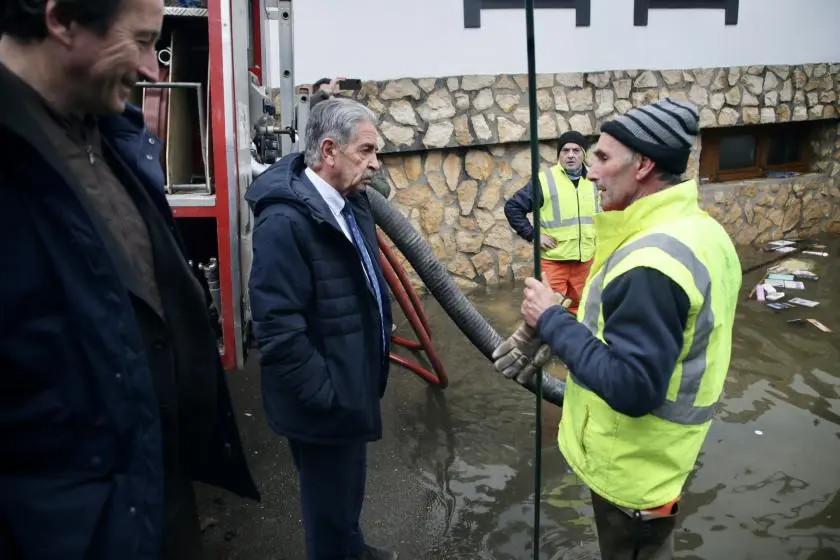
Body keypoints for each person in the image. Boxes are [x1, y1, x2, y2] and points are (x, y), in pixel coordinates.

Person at [0, 1, 259, 558]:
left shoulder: (113, 137)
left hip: (153, 497)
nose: (151, 69)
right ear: (62, 18)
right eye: (141, 41)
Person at [493, 98, 742, 559]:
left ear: (644, 164)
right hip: (662, 459)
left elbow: (632, 388)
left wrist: (550, 320)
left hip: (631, 470)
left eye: (603, 158)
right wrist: (563, 327)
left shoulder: (652, 261)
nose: (590, 172)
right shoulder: (703, 231)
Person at [246, 97, 398, 560]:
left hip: (350, 390)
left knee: (345, 496)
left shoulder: (350, 203)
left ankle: (353, 548)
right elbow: (277, 329)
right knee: (327, 512)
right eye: (366, 151)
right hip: (326, 404)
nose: (375, 164)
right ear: (329, 151)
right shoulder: (284, 221)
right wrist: (327, 396)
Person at [504, 130, 600, 315]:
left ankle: (575, 342)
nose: (570, 155)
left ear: (584, 154)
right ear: (559, 155)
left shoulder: (594, 181)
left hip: (585, 261)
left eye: (576, 150)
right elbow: (513, 207)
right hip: (554, 261)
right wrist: (534, 235)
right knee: (547, 311)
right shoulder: (545, 180)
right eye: (565, 150)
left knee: (584, 311)